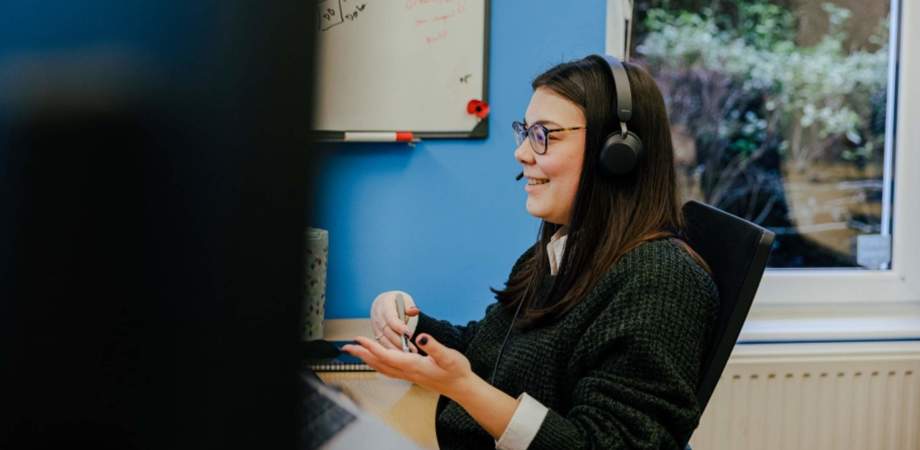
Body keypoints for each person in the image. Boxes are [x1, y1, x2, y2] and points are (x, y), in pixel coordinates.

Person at [342, 54, 719, 450]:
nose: (522, 152)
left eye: (545, 135)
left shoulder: (660, 281)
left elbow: (608, 443)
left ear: (617, 154)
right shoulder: (562, 251)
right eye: (525, 131)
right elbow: (492, 350)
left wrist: (463, 387)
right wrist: (411, 324)